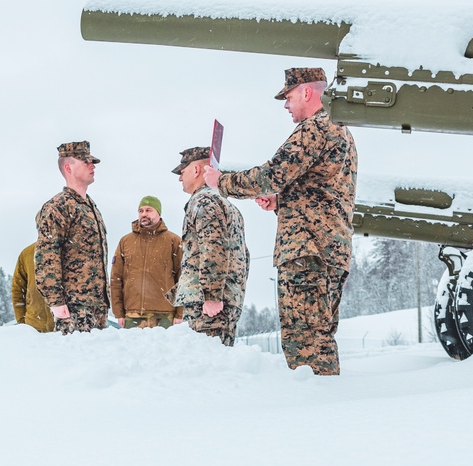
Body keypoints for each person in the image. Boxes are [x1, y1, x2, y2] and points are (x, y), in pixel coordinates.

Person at [203, 67, 357, 375]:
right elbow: (323, 191)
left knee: (304, 343)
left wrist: (222, 182)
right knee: (320, 337)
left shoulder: (315, 128)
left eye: (287, 97)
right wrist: (280, 200)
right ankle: (329, 406)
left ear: (306, 92)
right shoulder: (340, 130)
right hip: (330, 250)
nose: (286, 105)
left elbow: (271, 174)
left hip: (307, 251)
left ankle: (311, 410)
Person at [169, 146, 249, 346]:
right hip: (226, 300)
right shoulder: (225, 203)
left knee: (207, 367)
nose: (180, 178)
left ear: (196, 170)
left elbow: (214, 248)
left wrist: (211, 296)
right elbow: (244, 256)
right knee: (219, 365)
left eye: (182, 171)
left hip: (207, 307)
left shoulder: (204, 201)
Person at [34, 140, 110, 334]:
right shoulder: (58, 207)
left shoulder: (90, 207)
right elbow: (46, 256)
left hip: (97, 306)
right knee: (76, 362)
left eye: (92, 161)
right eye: (85, 161)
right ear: (68, 167)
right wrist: (56, 301)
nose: (92, 165)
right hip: (73, 307)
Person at [110, 195, 184, 329]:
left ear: (158, 213)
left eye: (149, 210)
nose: (144, 214)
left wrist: (179, 313)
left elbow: (182, 277)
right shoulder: (125, 242)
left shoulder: (173, 241)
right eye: (141, 211)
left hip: (165, 316)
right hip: (132, 315)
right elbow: (116, 279)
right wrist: (118, 312)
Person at [10, 243, 54, 332]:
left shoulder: (73, 250)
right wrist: (22, 322)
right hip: (34, 328)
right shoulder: (27, 253)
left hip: (66, 331)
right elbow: (18, 289)